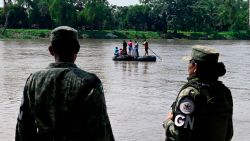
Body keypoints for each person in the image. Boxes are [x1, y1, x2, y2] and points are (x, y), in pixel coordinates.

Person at [15, 26, 115, 141]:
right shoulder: (90, 82)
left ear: (51, 50)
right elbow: (101, 131)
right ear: (77, 49)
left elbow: (23, 128)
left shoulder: (33, 80)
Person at [163, 45, 233, 141]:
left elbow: (180, 135)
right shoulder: (224, 92)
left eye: (189, 62)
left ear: (195, 66)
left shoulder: (190, 93)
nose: (188, 65)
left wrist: (168, 122)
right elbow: (229, 133)